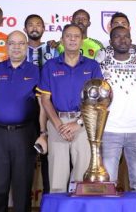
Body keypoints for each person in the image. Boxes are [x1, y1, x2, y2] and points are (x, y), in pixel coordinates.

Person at [38, 24, 103, 192]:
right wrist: (59, 125)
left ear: (82, 41)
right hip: (56, 123)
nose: (72, 39)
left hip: (83, 124)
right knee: (57, 179)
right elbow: (45, 99)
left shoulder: (92, 66)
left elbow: (97, 100)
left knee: (83, 181)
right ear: (62, 40)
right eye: (68, 36)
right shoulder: (50, 66)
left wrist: (78, 123)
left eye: (76, 36)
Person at [99, 26, 136, 193]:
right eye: (117, 36)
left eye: (126, 37)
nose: (122, 40)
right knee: (109, 182)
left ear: (131, 41)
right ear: (110, 42)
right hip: (109, 131)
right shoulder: (101, 67)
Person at [0, 31, 39, 212]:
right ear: (6, 46)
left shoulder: (36, 71)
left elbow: (43, 103)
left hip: (24, 134)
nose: (16, 47)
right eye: (12, 43)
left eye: (21, 43)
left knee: (22, 186)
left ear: (27, 46)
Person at [23, 14, 57, 194]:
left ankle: (49, 199)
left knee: (48, 157)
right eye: (30, 25)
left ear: (44, 29)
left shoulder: (53, 50)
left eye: (38, 24)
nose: (34, 27)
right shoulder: (19, 49)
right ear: (25, 29)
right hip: (25, 109)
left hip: (48, 107)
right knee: (25, 158)